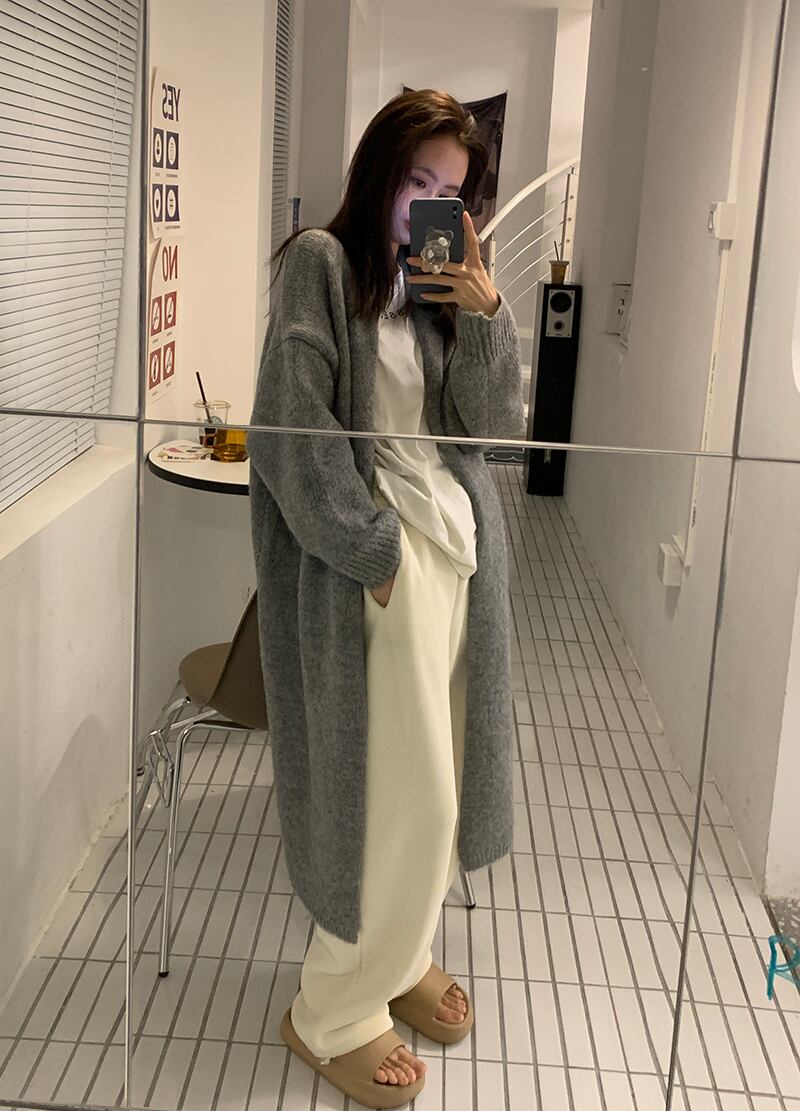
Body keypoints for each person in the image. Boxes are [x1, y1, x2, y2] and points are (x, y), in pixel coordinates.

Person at [247, 89, 524, 1108]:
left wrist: (483, 314)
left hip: (455, 559)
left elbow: (487, 430)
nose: (429, 205)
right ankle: (330, 1009)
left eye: (450, 190)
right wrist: (373, 553)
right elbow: (288, 431)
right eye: (417, 180)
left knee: (436, 787)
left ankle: (401, 959)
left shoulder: (438, 292)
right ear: (378, 173)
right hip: (384, 565)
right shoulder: (321, 265)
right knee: (405, 800)